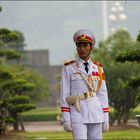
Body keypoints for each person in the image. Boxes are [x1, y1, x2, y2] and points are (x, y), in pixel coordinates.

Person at [60, 29, 109, 140]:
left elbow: (102, 94)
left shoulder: (98, 68)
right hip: (78, 113)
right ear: (76, 47)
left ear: (90, 47)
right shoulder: (69, 68)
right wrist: (66, 118)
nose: (82, 48)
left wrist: (105, 116)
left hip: (96, 113)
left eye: (85, 45)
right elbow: (64, 94)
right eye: (79, 45)